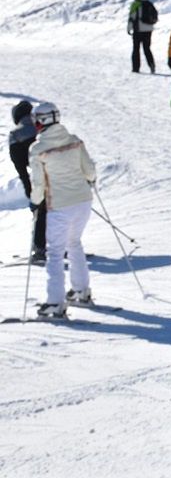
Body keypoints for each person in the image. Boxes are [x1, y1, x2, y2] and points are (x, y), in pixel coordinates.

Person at [28, 102, 96, 318]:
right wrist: (88, 181)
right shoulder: (74, 141)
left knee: (55, 252)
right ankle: (81, 291)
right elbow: (90, 171)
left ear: (43, 121)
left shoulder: (38, 149)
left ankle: (55, 302)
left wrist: (35, 201)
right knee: (74, 243)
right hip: (83, 201)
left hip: (60, 206)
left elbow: (38, 184)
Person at [8, 100, 46, 263]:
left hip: (22, 157)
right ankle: (59, 244)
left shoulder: (14, 135)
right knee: (54, 206)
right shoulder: (40, 128)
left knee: (39, 207)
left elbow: (22, 172)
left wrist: (31, 194)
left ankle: (39, 248)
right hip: (49, 171)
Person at [127, 0, 157, 73]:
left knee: (136, 49)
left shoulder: (135, 4)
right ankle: (152, 65)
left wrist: (129, 29)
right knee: (147, 48)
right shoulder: (149, 3)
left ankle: (136, 68)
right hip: (148, 29)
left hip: (138, 29)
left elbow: (131, 18)